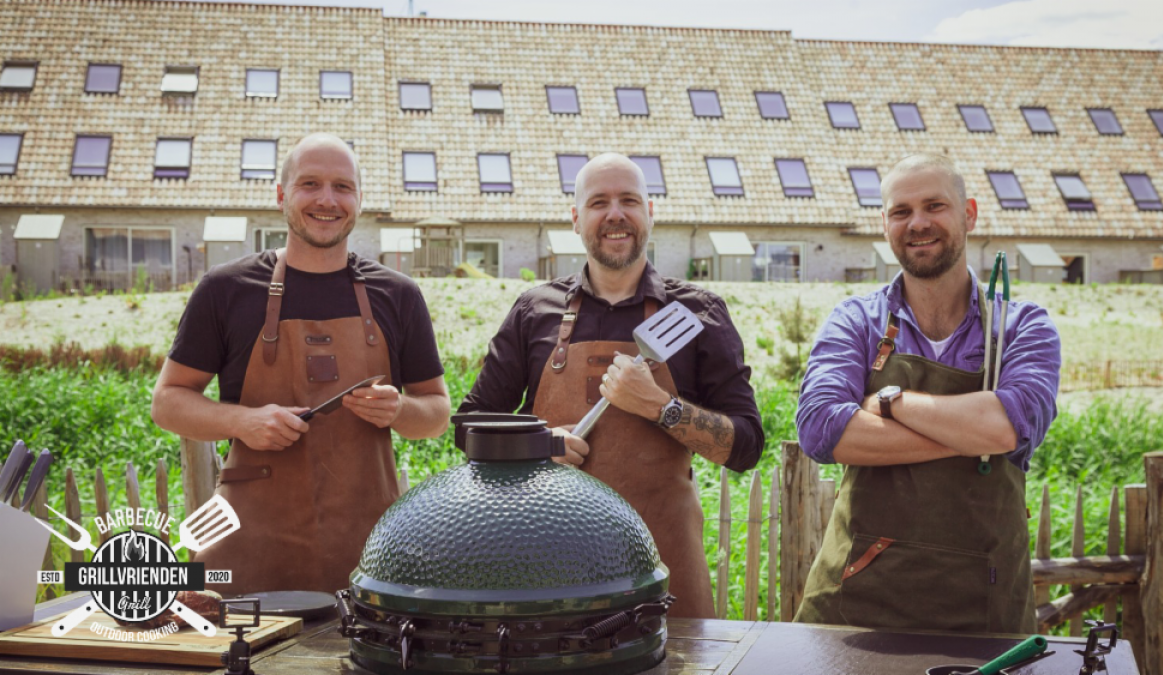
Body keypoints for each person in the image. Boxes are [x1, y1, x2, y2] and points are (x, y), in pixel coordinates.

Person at [458, 153, 764, 619]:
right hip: (545, 569)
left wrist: (661, 406)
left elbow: (745, 447)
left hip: (662, 568)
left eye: (629, 200)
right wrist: (538, 445)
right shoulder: (533, 311)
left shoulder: (697, 313)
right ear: (576, 219)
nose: (615, 214)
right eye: (599, 202)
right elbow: (467, 427)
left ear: (650, 213)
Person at [152, 133, 450, 596]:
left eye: (342, 187)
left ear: (359, 199)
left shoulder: (398, 294)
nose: (327, 200)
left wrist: (400, 411)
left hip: (367, 552)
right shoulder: (226, 289)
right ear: (281, 196)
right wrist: (243, 421)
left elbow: (436, 412)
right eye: (310, 184)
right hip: (248, 550)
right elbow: (167, 402)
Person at [794, 153, 1060, 634]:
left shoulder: (1023, 327)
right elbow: (822, 430)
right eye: (901, 211)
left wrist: (893, 403)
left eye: (934, 206)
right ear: (885, 224)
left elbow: (1008, 425)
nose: (918, 223)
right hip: (856, 605)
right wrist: (971, 434)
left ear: (969, 214)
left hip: (985, 604)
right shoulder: (856, 321)